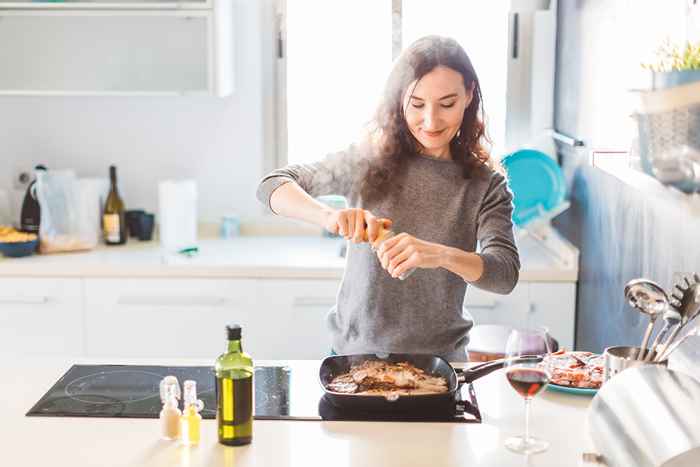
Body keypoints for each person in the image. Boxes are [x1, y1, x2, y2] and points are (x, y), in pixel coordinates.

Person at [256, 35, 519, 361]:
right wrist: (331, 218)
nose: (431, 121)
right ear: (399, 100)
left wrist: (439, 255)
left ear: (468, 95)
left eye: (447, 103)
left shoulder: (486, 185)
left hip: (441, 366)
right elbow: (271, 186)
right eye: (417, 104)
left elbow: (505, 274)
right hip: (354, 360)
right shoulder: (367, 162)